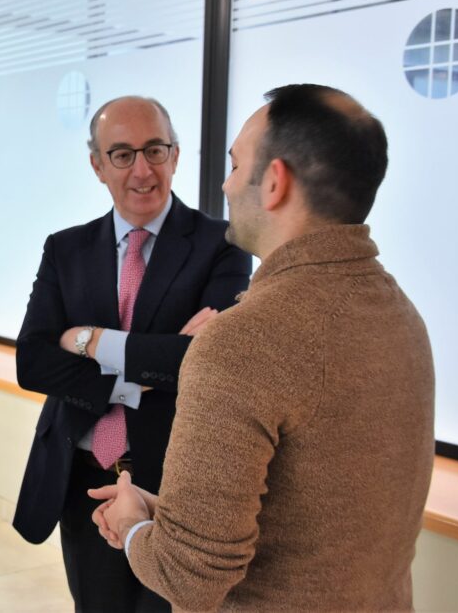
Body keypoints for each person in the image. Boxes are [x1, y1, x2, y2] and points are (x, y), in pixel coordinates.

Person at [91, 84, 435, 610]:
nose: (227, 185)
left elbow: (190, 578)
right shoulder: (401, 315)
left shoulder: (242, 341)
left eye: (234, 164)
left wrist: (133, 523)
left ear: (274, 182)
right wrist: (173, 517)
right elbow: (311, 521)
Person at [13, 95, 252, 612]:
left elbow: (204, 363)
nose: (142, 170)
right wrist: (138, 372)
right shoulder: (66, 249)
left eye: (155, 150)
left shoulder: (223, 245)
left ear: (176, 154)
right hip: (83, 476)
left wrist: (87, 341)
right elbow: (31, 362)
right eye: (122, 154)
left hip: (175, 482)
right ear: (98, 166)